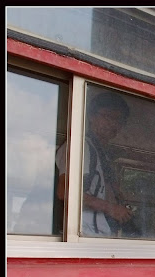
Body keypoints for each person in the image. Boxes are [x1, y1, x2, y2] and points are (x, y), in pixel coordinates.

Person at [55, 91, 134, 237]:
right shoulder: (82, 146)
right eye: (107, 116)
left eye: (119, 120)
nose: (113, 124)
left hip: (94, 235)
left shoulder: (101, 154)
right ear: (91, 116)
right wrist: (111, 208)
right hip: (79, 235)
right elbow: (64, 191)